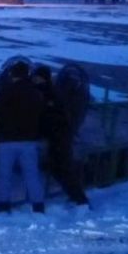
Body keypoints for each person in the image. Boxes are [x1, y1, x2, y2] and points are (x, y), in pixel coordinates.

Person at [0, 60, 46, 212]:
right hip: (29, 140)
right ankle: (38, 205)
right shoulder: (36, 93)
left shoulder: (6, 91)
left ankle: (4, 205)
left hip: (7, 140)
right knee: (32, 175)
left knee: (5, 175)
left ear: (13, 74)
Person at [37, 62, 90, 206]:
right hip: (62, 135)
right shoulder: (60, 93)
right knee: (62, 167)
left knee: (62, 168)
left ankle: (79, 198)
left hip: (59, 136)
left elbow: (51, 115)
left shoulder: (50, 94)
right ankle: (77, 196)